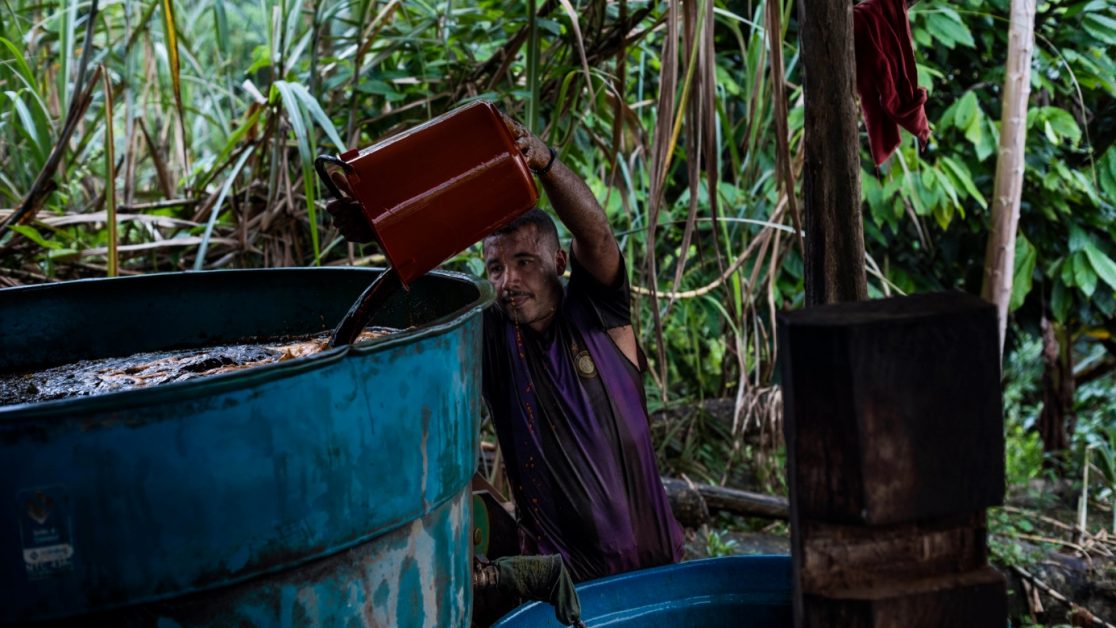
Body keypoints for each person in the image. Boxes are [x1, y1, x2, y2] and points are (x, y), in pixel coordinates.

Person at [328, 112, 683, 583]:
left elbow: (595, 235)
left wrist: (548, 164)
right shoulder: (492, 332)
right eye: (496, 268)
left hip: (654, 563)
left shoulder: (598, 308)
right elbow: (414, 313)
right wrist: (386, 228)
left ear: (558, 261)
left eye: (524, 262)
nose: (508, 281)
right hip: (559, 582)